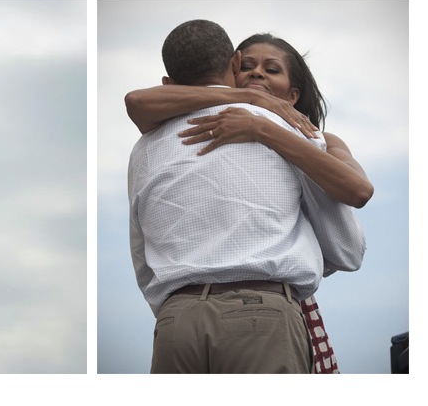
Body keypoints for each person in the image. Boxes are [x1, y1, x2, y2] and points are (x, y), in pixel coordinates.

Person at [125, 32, 373, 374]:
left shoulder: (146, 146)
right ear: (231, 69)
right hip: (261, 310)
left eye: (271, 69)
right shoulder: (294, 134)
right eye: (248, 66)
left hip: (176, 319)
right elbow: (348, 249)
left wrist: (260, 127)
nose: (257, 74)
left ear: (293, 95)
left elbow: (141, 245)